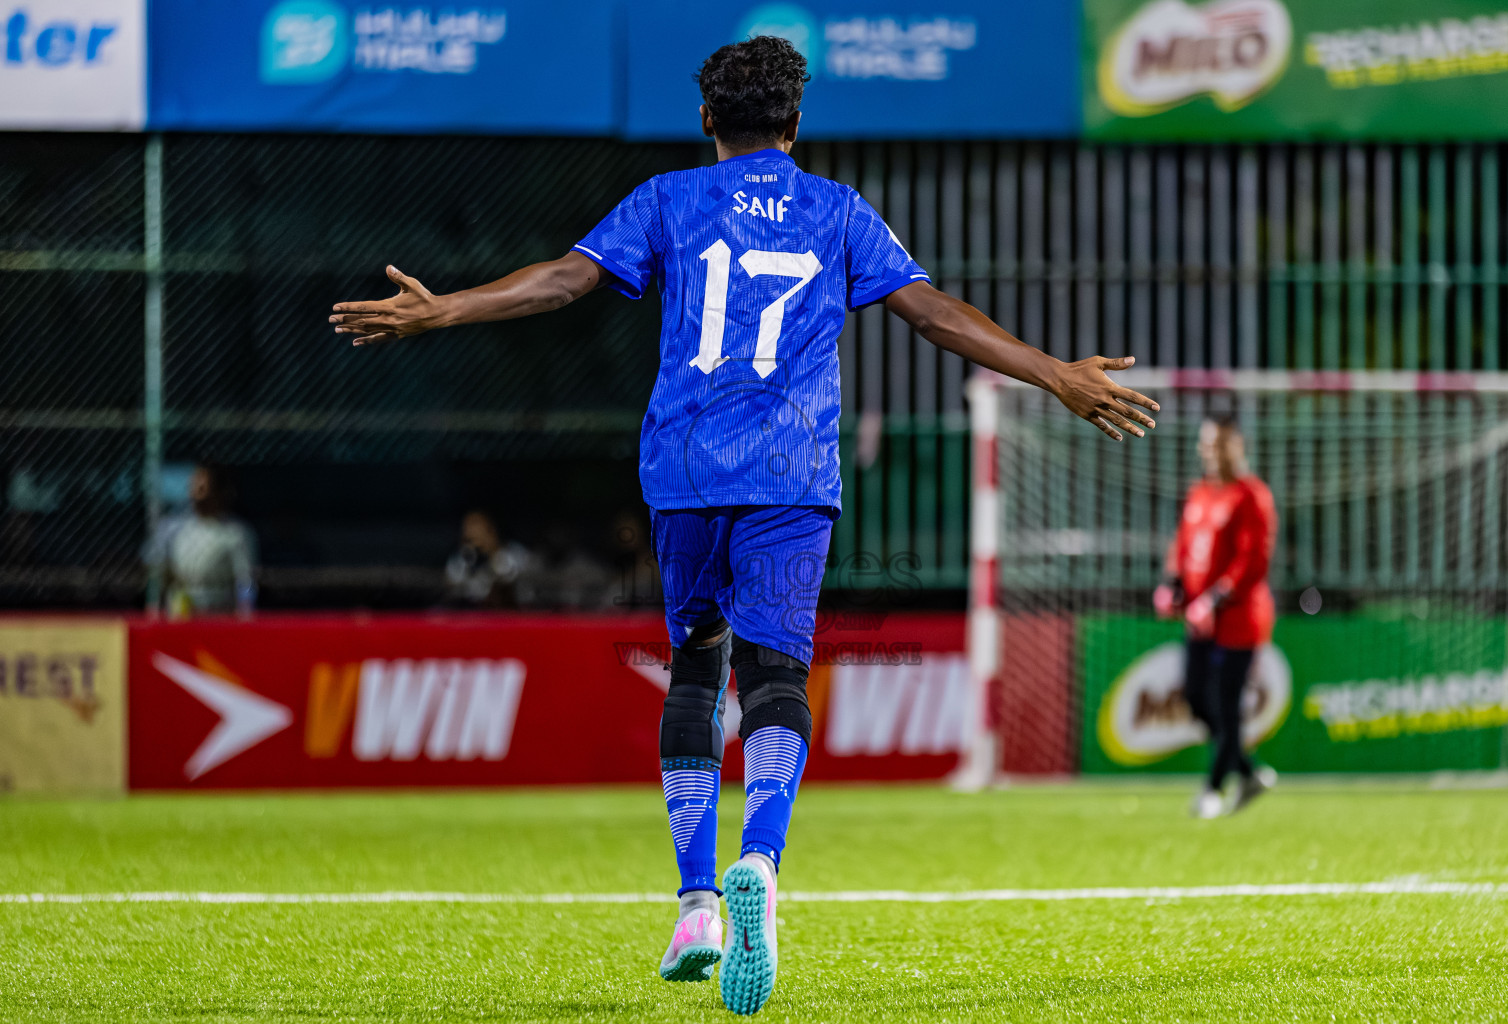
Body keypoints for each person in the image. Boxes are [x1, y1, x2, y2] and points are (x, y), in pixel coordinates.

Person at [330, 36, 1158, 1015]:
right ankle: (758, 860)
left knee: (695, 668)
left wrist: (446, 311)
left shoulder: (670, 200)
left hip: (684, 474)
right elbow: (931, 315)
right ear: (796, 124)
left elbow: (565, 279)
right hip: (790, 474)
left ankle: (693, 900)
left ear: (705, 119)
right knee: (775, 678)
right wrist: (1057, 373)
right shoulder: (837, 212)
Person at [1153, 414, 1278, 819]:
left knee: (1226, 705)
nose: (1211, 452)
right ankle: (1249, 773)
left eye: (1220, 444)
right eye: (1206, 444)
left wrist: (1215, 598)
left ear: (1237, 446)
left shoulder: (1251, 495)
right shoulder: (1200, 494)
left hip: (1239, 621)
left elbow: (1252, 560)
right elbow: (1183, 547)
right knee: (1195, 698)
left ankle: (1212, 790)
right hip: (1198, 619)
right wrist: (1172, 586)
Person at [142, 462, 257, 618]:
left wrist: (245, 612)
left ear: (218, 491)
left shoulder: (235, 532)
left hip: (218, 610)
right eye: (194, 484)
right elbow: (154, 563)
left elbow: (245, 580)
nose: (197, 490)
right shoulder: (173, 527)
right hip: (180, 609)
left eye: (203, 486)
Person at [444, 509, 532, 608]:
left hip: (512, 613)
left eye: (474, 525)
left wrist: (492, 550)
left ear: (490, 529)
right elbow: (453, 585)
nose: (468, 532)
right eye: (466, 527)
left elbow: (508, 582)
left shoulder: (515, 552)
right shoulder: (465, 556)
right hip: (473, 613)